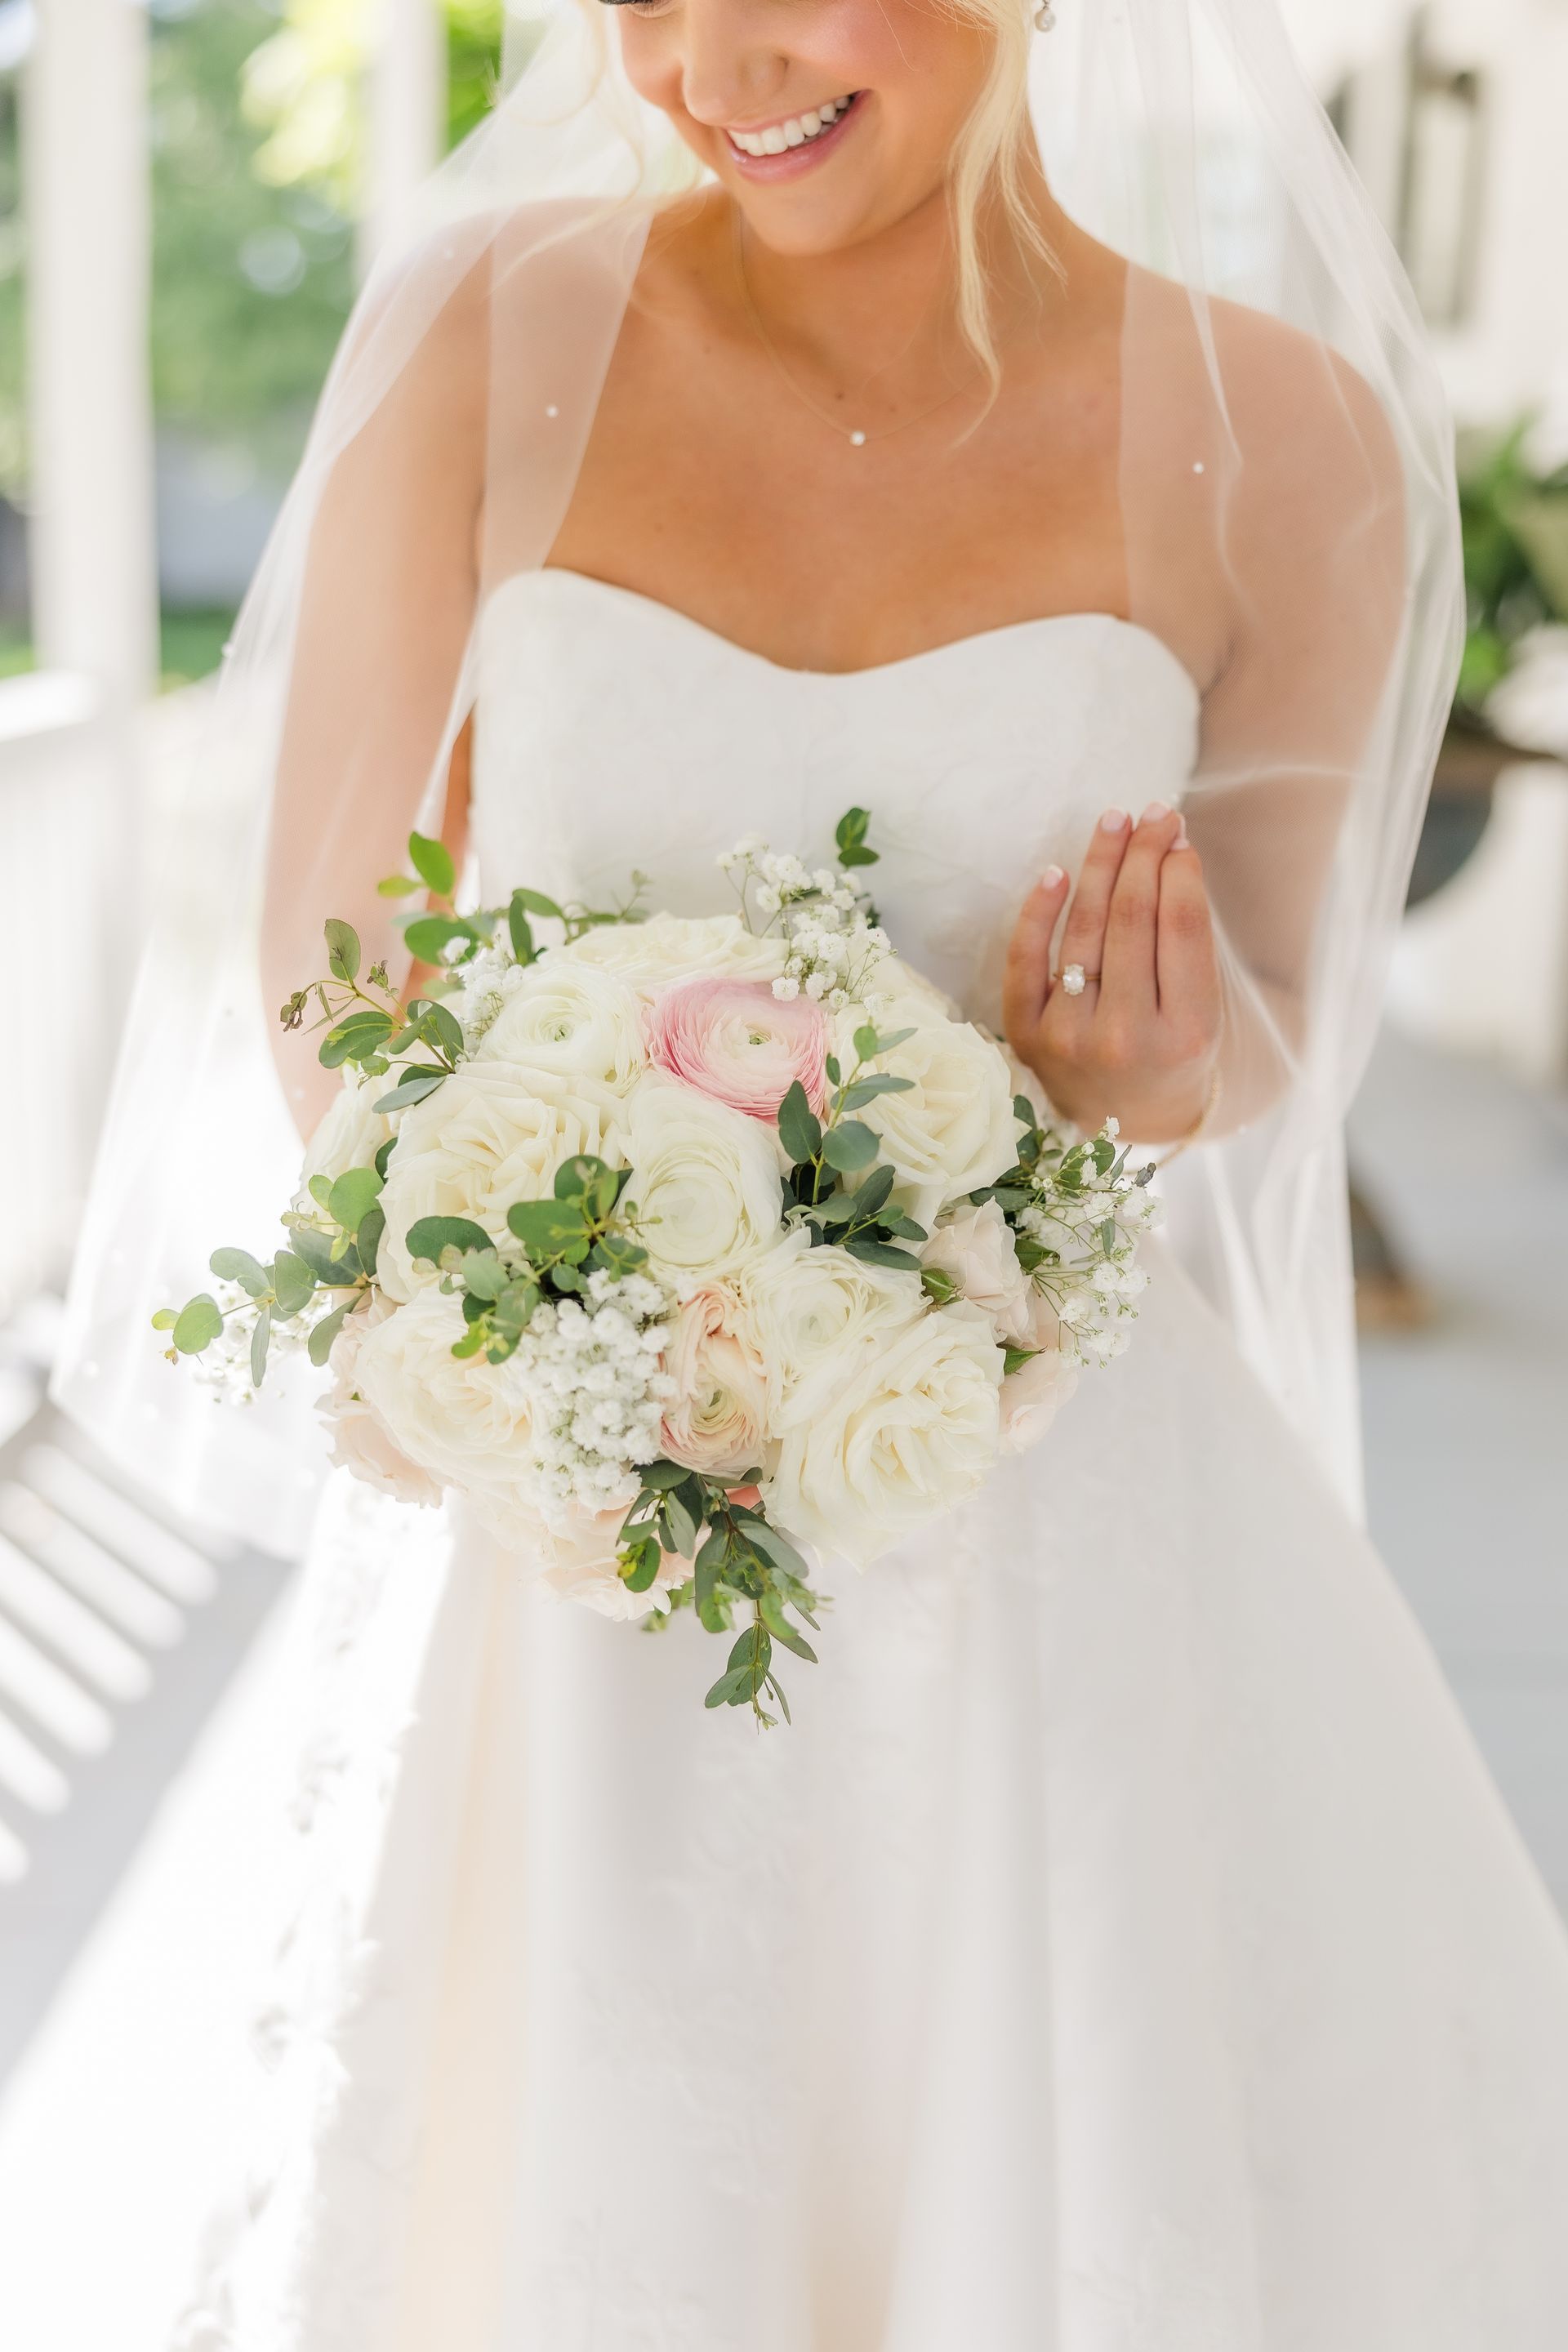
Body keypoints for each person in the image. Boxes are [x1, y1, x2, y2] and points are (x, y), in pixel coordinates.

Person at [49, 0, 1568, 2343]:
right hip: (554, 1537)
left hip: (1037, 1524)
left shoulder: (1293, 437)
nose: (706, 58)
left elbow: (1267, 1006)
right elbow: (338, 976)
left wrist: (1150, 1062)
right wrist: (551, 1330)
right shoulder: (488, 329)